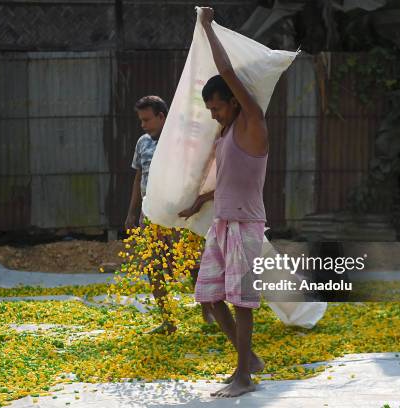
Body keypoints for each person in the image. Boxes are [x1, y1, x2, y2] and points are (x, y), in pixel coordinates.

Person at [178, 6, 267, 397]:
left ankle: (243, 377)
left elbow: (227, 72)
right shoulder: (228, 135)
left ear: (233, 102)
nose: (214, 115)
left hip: (246, 226)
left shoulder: (253, 123)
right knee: (210, 299)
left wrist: (206, 25)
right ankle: (247, 360)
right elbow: (231, 180)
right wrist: (201, 201)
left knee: (241, 303)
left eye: (216, 107)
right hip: (222, 223)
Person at [126, 95, 210, 334]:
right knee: (153, 267)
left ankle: (208, 314)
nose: (143, 125)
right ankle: (168, 320)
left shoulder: (180, 143)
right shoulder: (142, 143)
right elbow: (138, 177)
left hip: (178, 216)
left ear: (162, 117)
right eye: (141, 120)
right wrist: (132, 212)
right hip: (150, 217)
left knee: (193, 265)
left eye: (147, 120)